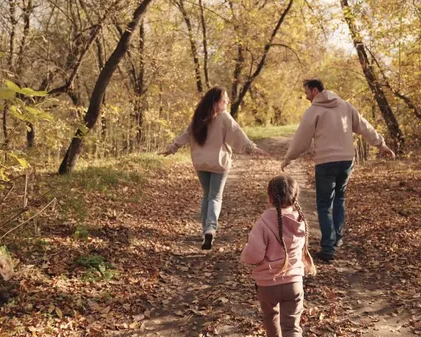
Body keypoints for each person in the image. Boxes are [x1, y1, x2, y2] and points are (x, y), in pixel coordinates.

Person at [281, 79, 395, 262]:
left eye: (307, 92)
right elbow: (364, 126)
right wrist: (380, 144)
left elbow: (301, 139)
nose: (306, 96)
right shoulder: (346, 106)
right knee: (339, 198)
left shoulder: (314, 111)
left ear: (315, 90)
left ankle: (327, 248)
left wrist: (289, 158)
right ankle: (337, 238)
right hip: (347, 161)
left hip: (326, 162)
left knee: (325, 204)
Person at [160, 86, 267, 250]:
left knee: (207, 195)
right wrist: (251, 148)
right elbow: (237, 133)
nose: (227, 102)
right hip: (218, 163)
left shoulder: (198, 117)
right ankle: (210, 228)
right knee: (215, 197)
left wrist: (172, 147)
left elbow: (186, 134)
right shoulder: (224, 117)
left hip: (201, 163)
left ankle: (205, 232)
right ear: (215, 102)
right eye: (224, 100)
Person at [241, 175, 316, 337]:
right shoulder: (301, 221)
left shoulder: (263, 223)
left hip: (268, 285)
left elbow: (254, 255)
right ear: (295, 197)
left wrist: (244, 254)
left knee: (271, 319)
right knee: (291, 327)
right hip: (293, 284)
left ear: (269, 197)